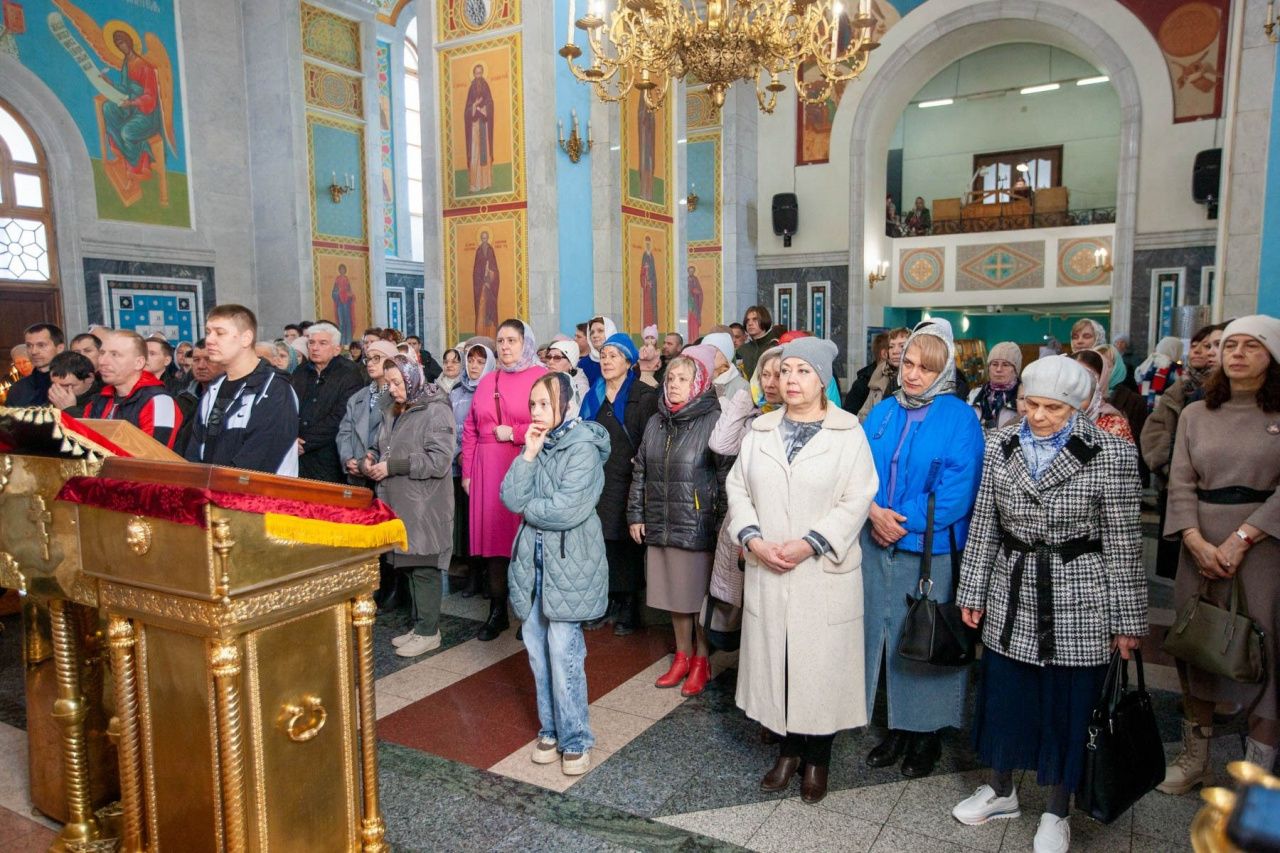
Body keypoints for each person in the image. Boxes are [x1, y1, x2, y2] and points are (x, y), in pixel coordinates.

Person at [953, 355, 1144, 853]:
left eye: (1052, 408)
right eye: (1029, 404)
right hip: (1011, 584)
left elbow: (1124, 543)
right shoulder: (1000, 443)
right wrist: (972, 590)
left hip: (1079, 590)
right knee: (1005, 694)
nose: (1037, 416)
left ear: (1078, 405)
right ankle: (999, 789)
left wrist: (1127, 621)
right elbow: (985, 525)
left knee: (1068, 702)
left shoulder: (1112, 453)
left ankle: (1057, 810)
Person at [727, 337, 878, 804]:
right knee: (782, 662)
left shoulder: (848, 431)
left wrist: (810, 543)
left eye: (802, 372)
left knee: (821, 668)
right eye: (785, 370)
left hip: (821, 571)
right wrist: (752, 537)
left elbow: (858, 497)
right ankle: (789, 751)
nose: (790, 380)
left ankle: (818, 760)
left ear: (823, 380)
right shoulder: (761, 429)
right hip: (769, 562)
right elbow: (738, 488)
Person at [1159, 314, 1280, 787]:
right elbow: (1181, 481)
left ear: (1271, 355)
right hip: (1201, 543)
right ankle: (1194, 759)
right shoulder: (1194, 413)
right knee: (1197, 643)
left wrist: (1242, 538)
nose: (1237, 354)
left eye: (1252, 346)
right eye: (1231, 346)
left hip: (1265, 546)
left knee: (1264, 647)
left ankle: (1256, 771)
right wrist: (1194, 539)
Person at [861, 319, 984, 779]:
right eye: (908, 363)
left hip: (929, 549)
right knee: (887, 638)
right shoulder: (884, 411)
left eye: (925, 368)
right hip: (875, 541)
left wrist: (898, 520)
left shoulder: (960, 418)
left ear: (944, 370)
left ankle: (925, 735)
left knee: (925, 639)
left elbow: (956, 491)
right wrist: (873, 511)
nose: (912, 374)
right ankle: (896, 726)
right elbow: (858, 470)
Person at [501, 372, 609, 776]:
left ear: (566, 403)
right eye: (533, 405)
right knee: (536, 648)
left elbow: (567, 509)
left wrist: (530, 509)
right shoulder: (538, 443)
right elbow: (510, 496)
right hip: (533, 560)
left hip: (571, 561)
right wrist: (528, 454)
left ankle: (576, 738)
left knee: (564, 651)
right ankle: (550, 728)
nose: (537, 413)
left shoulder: (583, 447)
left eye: (545, 404)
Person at [627, 355, 728, 697]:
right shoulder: (657, 421)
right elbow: (640, 468)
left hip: (696, 523)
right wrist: (636, 514)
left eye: (682, 379)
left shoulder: (713, 419)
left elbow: (726, 476)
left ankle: (702, 660)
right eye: (670, 378)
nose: (673, 384)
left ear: (697, 383)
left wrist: (723, 524)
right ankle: (682, 656)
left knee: (698, 599)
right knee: (674, 596)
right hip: (661, 520)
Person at [363, 355, 455, 658]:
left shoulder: (436, 410)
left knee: (425, 566)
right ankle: (419, 627)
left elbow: (439, 461)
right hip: (401, 500)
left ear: (413, 378)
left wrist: (394, 466)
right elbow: (383, 444)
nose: (391, 389)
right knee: (409, 565)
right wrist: (372, 456)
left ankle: (430, 631)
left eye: (397, 382)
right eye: (388, 383)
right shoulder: (394, 408)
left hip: (425, 503)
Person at [461, 319, 548, 640]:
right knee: (494, 546)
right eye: (501, 341)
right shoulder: (488, 381)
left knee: (525, 544)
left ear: (525, 343)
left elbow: (550, 424)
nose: (505, 346)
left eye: (512, 340)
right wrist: (468, 472)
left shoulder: (541, 377)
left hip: (523, 465)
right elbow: (470, 428)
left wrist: (515, 433)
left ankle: (530, 614)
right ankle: (497, 610)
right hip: (486, 470)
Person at [581, 333, 659, 635]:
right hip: (599, 479)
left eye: (614, 355)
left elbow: (649, 439)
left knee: (627, 542)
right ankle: (607, 602)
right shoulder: (593, 396)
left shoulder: (643, 395)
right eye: (603, 355)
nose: (606, 361)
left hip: (630, 479)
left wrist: (641, 464)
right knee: (601, 541)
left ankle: (630, 607)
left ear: (629, 361)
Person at [1141, 323, 1225, 580]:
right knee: (1186, 571)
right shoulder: (1181, 385)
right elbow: (1154, 427)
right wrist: (1167, 464)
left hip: (1222, 498)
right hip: (1180, 486)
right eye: (1199, 345)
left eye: (1212, 345)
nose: (1203, 351)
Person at [185, 305, 299, 475]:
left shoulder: (274, 389)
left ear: (246, 338)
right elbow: (196, 447)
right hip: (210, 494)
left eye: (220, 333)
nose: (209, 340)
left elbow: (260, 458)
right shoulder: (214, 388)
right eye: (208, 332)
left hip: (254, 497)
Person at [289, 323, 363, 482]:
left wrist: (305, 443)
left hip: (329, 455)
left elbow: (341, 416)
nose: (315, 348)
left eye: (322, 343)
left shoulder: (349, 373)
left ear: (337, 349)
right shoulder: (300, 371)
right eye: (311, 343)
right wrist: (291, 438)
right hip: (296, 454)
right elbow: (288, 408)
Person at [450, 342, 496, 598]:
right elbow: (449, 427)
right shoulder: (457, 391)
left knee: (487, 524)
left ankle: (491, 577)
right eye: (471, 360)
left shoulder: (494, 389)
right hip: (461, 467)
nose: (474, 366)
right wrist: (458, 455)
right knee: (467, 525)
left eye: (480, 361)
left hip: (486, 466)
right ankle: (473, 575)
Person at [84, 330, 183, 449]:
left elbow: (153, 456)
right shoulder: (98, 400)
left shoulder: (159, 401)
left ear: (139, 363)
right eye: (102, 353)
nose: (102, 361)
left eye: (115, 354)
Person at [338, 340, 397, 487]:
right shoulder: (358, 397)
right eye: (368, 358)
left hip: (384, 475)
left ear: (391, 361)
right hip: (357, 476)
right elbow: (345, 431)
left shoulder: (398, 396)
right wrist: (348, 458)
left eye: (377, 358)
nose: (370, 363)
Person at [1067, 350, 1135, 443]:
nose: (1077, 384)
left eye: (1087, 378)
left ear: (1102, 380)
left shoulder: (1114, 425)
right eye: (1071, 377)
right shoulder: (1051, 414)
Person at [855, 327, 909, 422]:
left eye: (902, 346)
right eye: (891, 346)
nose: (895, 351)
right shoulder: (879, 376)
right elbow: (864, 414)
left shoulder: (914, 379)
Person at [967, 342, 1022, 431]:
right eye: (994, 364)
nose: (999, 369)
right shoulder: (975, 394)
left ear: (1016, 370)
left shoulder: (1024, 397)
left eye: (1005, 365)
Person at [6, 323, 65, 406]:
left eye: (41, 345)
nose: (33, 352)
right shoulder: (18, 388)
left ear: (60, 348)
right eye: (29, 346)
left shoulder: (73, 383)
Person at [843, 332, 889, 416]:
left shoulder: (895, 380)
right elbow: (848, 415)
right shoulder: (863, 382)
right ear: (884, 354)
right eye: (892, 347)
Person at [1136, 336, 1183, 410]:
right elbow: (1180, 388)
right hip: (1162, 409)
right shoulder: (1172, 367)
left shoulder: (1148, 363)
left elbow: (1139, 380)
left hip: (1143, 405)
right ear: (1175, 350)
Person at [736, 306, 782, 377]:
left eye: (755, 319)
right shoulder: (741, 350)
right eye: (747, 320)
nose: (750, 323)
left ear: (764, 320)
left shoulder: (776, 347)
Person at [703, 331, 750, 401]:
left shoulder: (742, 386)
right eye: (705, 350)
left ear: (726, 355)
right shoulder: (698, 382)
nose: (708, 354)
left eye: (713, 350)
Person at [547, 339, 590, 411]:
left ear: (571, 364)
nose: (550, 362)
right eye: (549, 357)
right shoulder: (546, 380)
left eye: (557, 358)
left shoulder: (581, 389)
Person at [577, 315, 617, 387]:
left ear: (610, 332)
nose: (595, 335)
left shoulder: (621, 360)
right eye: (592, 332)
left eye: (600, 331)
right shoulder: (583, 364)